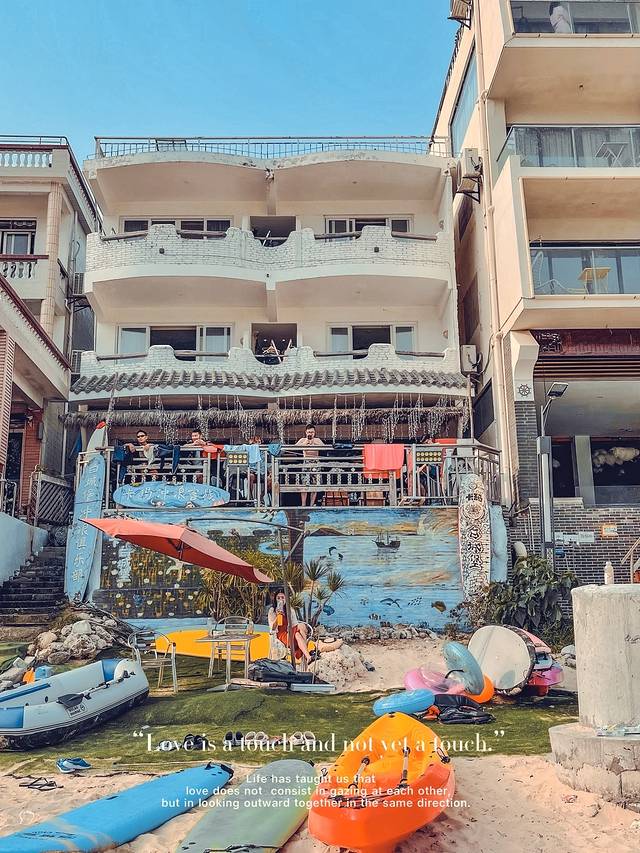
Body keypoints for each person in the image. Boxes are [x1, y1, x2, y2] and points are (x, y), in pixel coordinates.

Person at [267, 588, 317, 663]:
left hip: (290, 633)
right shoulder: (272, 610)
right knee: (299, 630)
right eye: (278, 598)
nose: (280, 600)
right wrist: (278, 615)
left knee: (298, 631)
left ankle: (308, 657)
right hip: (280, 635)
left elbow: (294, 624)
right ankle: (305, 656)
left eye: (282, 597)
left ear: (286, 599)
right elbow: (273, 628)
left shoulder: (290, 609)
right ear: (275, 599)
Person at [295, 424, 324, 507]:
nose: (310, 434)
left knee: (315, 486)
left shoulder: (317, 440)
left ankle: (311, 504)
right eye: (309, 432)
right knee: (304, 485)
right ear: (306, 432)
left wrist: (313, 442)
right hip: (306, 463)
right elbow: (295, 447)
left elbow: (324, 447)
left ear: (314, 432)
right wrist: (306, 442)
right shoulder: (302, 440)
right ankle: (303, 504)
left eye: (312, 432)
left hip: (315, 463)